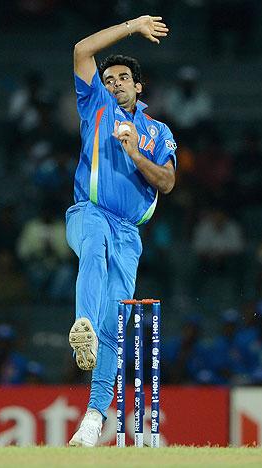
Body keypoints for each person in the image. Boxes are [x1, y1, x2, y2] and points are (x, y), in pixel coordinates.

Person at [65, 15, 175, 447]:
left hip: (129, 232)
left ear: (138, 86)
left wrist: (134, 152)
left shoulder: (157, 131)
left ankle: (93, 419)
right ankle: (82, 326)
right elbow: (80, 50)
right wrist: (131, 26)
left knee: (118, 323)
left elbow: (166, 183)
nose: (113, 84)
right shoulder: (94, 103)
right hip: (88, 212)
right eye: (108, 78)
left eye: (123, 78)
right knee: (93, 245)